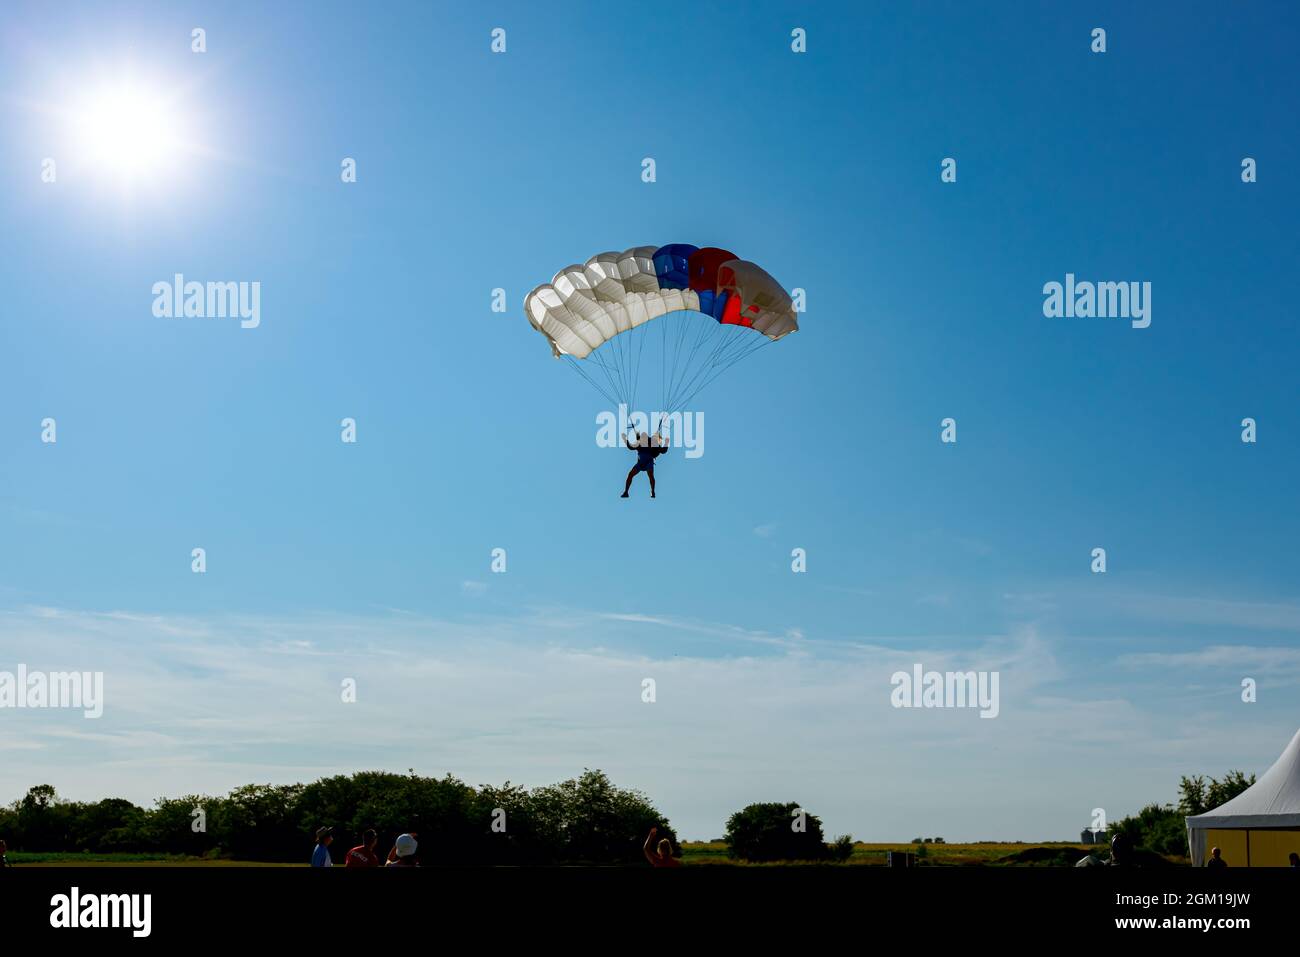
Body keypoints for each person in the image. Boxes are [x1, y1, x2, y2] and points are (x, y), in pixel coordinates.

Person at [621, 431, 667, 498]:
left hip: (648, 462)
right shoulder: (639, 444)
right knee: (630, 475)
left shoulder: (652, 443)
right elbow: (631, 447)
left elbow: (663, 451)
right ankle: (626, 492)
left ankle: (653, 491)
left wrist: (666, 443)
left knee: (650, 476)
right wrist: (625, 439)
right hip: (641, 463)